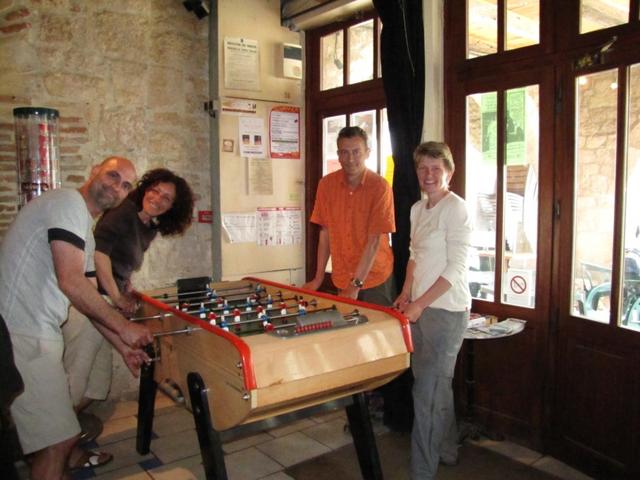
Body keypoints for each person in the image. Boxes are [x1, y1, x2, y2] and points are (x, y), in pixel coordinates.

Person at [0, 156, 154, 479]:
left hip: (32, 332)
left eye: (125, 185)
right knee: (58, 441)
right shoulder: (68, 202)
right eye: (113, 175)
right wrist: (124, 327)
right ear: (94, 170)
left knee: (60, 438)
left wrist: (122, 346)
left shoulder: (84, 228)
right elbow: (70, 281)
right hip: (20, 333)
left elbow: (89, 300)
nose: (117, 187)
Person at [63, 168, 194, 415]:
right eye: (155, 190)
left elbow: (121, 260)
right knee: (77, 376)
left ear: (172, 207)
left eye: (166, 198)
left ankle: (69, 425)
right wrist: (116, 296)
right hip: (92, 301)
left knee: (97, 383)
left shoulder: (149, 226)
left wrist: (126, 286)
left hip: (106, 303)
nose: (157, 198)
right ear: (145, 188)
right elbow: (99, 254)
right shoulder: (123, 213)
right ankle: (57, 432)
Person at [393, 142, 472, 479]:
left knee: (426, 393)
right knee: (435, 386)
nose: (428, 175)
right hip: (419, 309)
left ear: (449, 173)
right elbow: (414, 255)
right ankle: (448, 449)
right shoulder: (417, 209)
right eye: (423, 168)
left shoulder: (456, 209)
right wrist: (405, 292)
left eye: (436, 169)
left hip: (447, 313)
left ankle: (422, 472)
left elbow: (456, 268)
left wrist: (419, 303)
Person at [303, 126, 395, 305]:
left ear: (367, 153)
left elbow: (374, 241)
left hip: (375, 278)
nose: (350, 159)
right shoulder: (326, 185)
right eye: (344, 152)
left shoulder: (380, 187)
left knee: (375, 324)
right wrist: (318, 278)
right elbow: (325, 234)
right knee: (347, 323)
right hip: (343, 277)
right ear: (338, 155)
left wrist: (356, 284)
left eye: (356, 152)